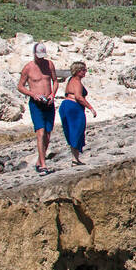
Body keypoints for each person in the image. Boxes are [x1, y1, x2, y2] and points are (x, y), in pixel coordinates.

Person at [17, 42, 59, 175]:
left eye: (42, 56)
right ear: (34, 54)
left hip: (49, 103)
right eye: (38, 56)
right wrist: (33, 94)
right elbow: (20, 86)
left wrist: (53, 94)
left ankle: (39, 161)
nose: (41, 59)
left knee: (47, 133)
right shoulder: (28, 68)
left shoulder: (49, 64)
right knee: (40, 132)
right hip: (36, 104)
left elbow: (55, 81)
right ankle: (43, 165)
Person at [59, 62, 96, 166]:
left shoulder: (71, 80)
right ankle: (74, 159)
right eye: (83, 70)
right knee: (77, 130)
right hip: (73, 107)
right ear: (78, 71)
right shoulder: (76, 82)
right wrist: (91, 108)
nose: (85, 72)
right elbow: (79, 97)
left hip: (66, 106)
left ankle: (75, 158)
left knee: (72, 131)